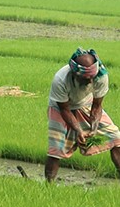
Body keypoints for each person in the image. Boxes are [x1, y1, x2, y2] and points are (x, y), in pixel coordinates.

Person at [45, 48, 120, 182]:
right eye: (86, 79)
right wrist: (78, 130)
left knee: (116, 137)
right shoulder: (61, 79)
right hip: (60, 108)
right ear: (75, 74)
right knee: (56, 148)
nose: (90, 82)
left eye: (92, 78)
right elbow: (65, 110)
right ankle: (48, 185)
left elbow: (97, 106)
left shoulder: (101, 76)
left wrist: (94, 127)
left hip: (86, 103)